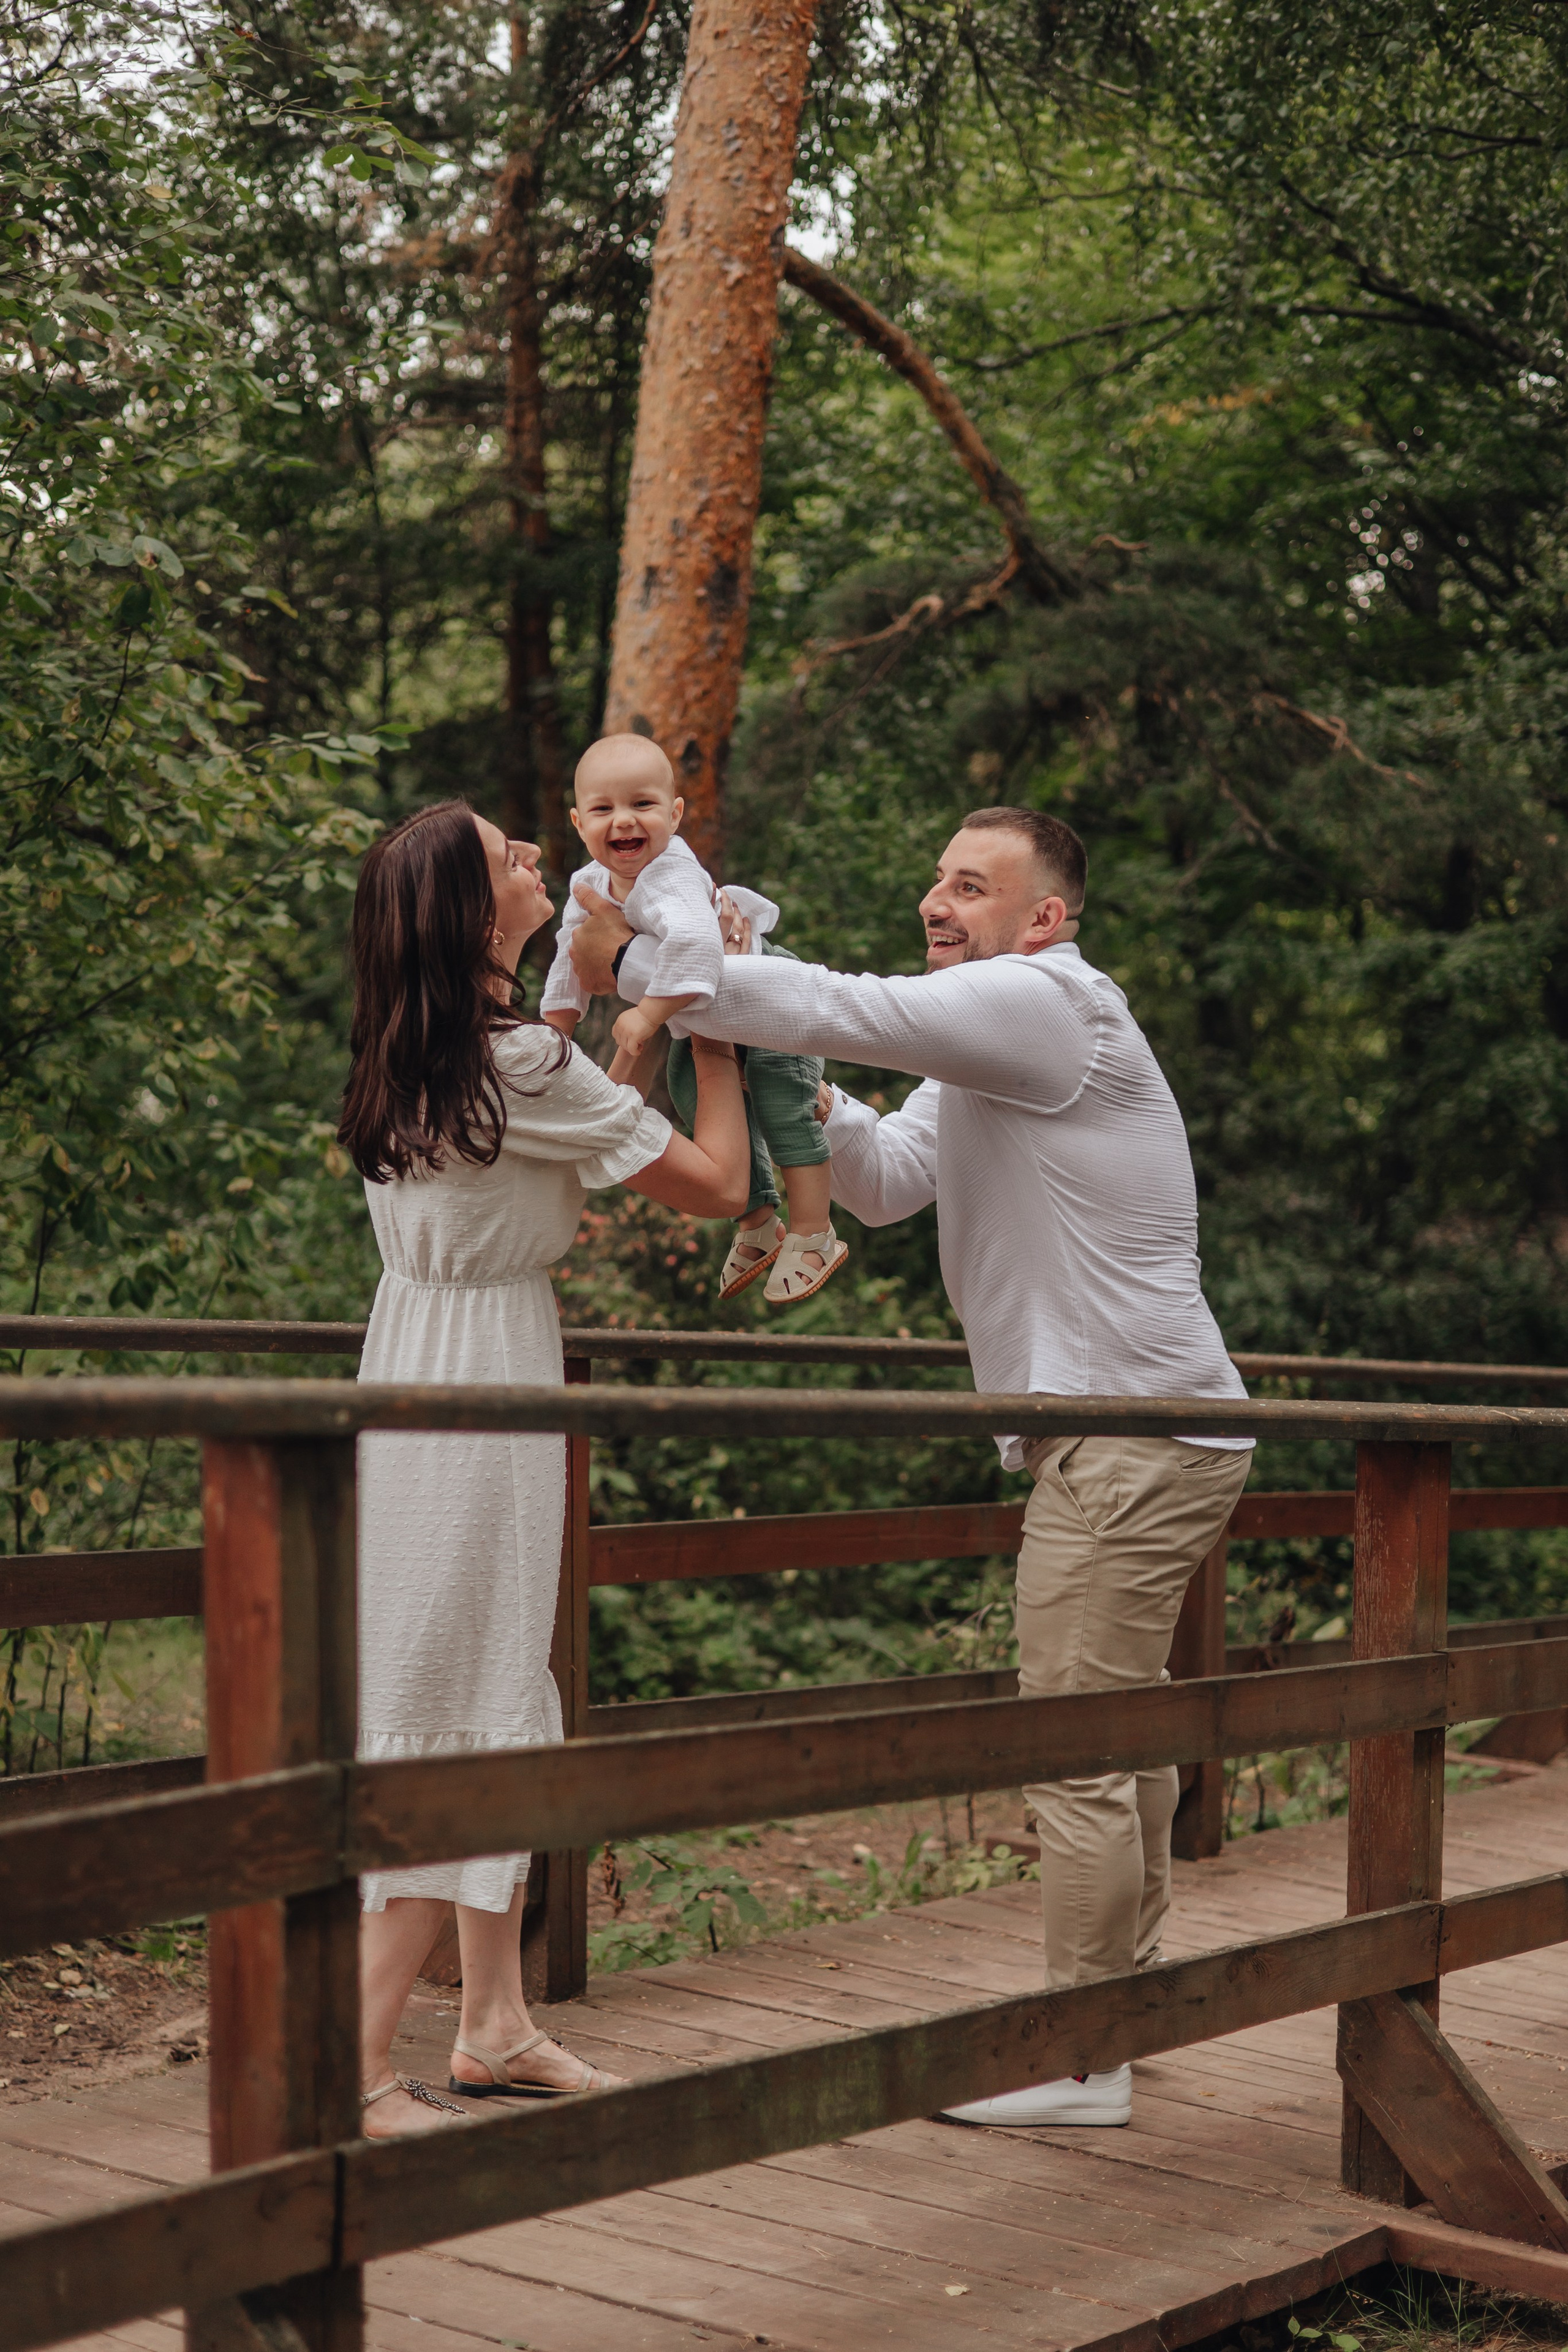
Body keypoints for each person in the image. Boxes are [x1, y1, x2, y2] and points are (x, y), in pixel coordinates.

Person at [569, 804, 1254, 2130]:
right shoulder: (995, 1047)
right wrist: (784, 1085)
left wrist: (640, 962)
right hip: (1135, 1429)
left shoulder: (1046, 1005)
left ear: (1044, 919)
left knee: (1077, 1737)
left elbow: (845, 1003)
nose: (937, 902)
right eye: (932, 878)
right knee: (1121, 1730)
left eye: (972, 885)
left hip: (1129, 1435)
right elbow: (881, 1179)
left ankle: (1080, 2056)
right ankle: (1120, 2010)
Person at [337, 798, 749, 2137]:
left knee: (487, 1674)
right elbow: (716, 1184)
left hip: (416, 1365)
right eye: (512, 856)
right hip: (483, 1381)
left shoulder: (433, 1050)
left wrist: (617, 1042)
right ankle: (340, 2070)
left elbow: (565, 1137)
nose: (536, 861)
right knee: (459, 1689)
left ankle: (495, 2025)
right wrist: (716, 1033)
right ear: (471, 914)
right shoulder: (514, 1061)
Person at [541, 734, 846, 1305]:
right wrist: (557, 1029)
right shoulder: (589, 885)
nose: (624, 821)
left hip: (757, 987)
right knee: (693, 1097)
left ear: (675, 814)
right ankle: (759, 1222)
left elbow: (700, 948)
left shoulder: (670, 877)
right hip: (695, 1008)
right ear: (579, 822)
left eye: (644, 805)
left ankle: (814, 1231)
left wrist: (650, 1014)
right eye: (604, 809)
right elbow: (571, 951)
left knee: (782, 1101)